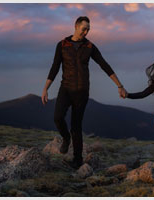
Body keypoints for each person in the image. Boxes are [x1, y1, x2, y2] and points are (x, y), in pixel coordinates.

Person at [41, 16, 127, 169]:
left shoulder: (89, 47)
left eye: (88, 30)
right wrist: (45, 88)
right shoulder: (62, 45)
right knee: (57, 117)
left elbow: (104, 65)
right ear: (76, 26)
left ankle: (77, 160)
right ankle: (66, 138)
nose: (86, 32)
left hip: (82, 91)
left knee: (76, 126)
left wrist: (119, 86)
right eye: (84, 29)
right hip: (65, 88)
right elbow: (55, 67)